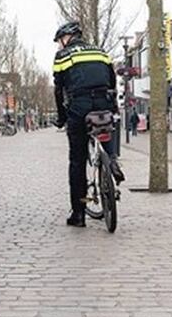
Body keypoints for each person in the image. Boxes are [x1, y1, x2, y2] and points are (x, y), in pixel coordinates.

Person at [52, 22, 124, 227]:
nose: (59, 45)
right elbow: (112, 80)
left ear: (68, 37)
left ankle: (79, 213)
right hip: (104, 104)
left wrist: (62, 117)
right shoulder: (101, 52)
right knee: (105, 132)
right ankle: (112, 162)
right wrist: (114, 107)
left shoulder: (63, 56)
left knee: (77, 160)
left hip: (80, 106)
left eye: (60, 40)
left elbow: (59, 90)